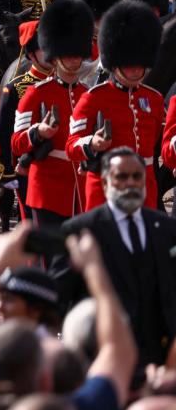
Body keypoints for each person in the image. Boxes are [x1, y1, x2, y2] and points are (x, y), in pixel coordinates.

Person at [51, 148, 174, 375]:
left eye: (137, 177)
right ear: (105, 183)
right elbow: (58, 295)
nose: (130, 183)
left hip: (158, 360)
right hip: (101, 358)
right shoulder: (80, 230)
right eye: (121, 177)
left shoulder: (165, 228)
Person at [11, 0, 92, 259]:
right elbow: (16, 142)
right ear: (55, 55)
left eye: (77, 53)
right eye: (68, 54)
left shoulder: (88, 95)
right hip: (46, 188)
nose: (74, 59)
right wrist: (37, 133)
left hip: (79, 187)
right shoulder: (35, 94)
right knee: (51, 261)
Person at [66, 0, 163, 210]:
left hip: (145, 188)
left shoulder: (154, 99)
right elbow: (71, 146)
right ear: (115, 62)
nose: (136, 71)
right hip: (106, 187)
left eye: (140, 65)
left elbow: (156, 140)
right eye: (130, 65)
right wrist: (92, 143)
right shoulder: (94, 97)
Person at [0, 20, 51, 220]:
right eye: (44, 48)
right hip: (26, 166)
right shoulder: (15, 88)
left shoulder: (64, 84)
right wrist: (5, 173)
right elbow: (3, 133)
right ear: (32, 53)